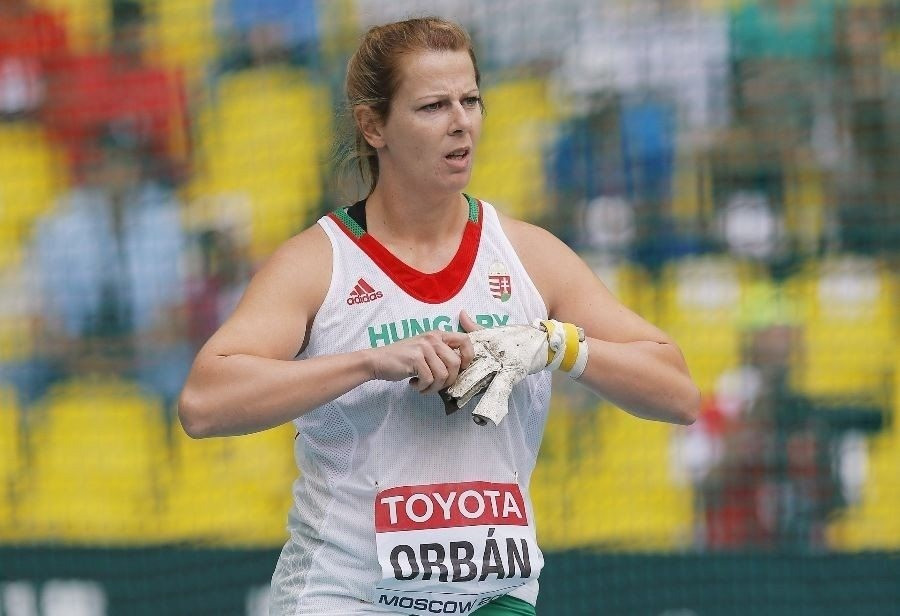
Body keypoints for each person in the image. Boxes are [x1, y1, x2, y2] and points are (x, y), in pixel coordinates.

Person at [178, 17, 700, 616]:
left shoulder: (529, 255)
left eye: (471, 100)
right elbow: (202, 403)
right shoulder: (319, 264)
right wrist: (370, 362)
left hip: (492, 603)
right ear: (374, 125)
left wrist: (555, 345)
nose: (461, 122)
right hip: (346, 598)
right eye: (432, 106)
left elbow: (679, 392)